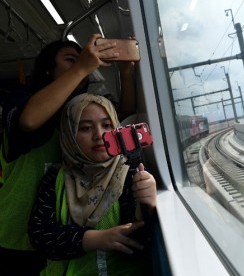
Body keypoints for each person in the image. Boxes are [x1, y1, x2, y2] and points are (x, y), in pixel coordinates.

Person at [0, 33, 136, 274]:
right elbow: (30, 121)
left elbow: (122, 113)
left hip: (61, 234)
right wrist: (83, 66)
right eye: (71, 60)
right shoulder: (22, 102)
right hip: (15, 240)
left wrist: (126, 74)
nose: (96, 133)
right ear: (47, 69)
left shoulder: (76, 113)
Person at [29, 93, 156, 275]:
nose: (99, 135)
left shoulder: (131, 173)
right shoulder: (55, 178)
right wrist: (93, 239)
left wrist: (147, 206)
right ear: (69, 135)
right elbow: (39, 235)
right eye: (85, 128)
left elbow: (140, 243)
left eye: (107, 125)